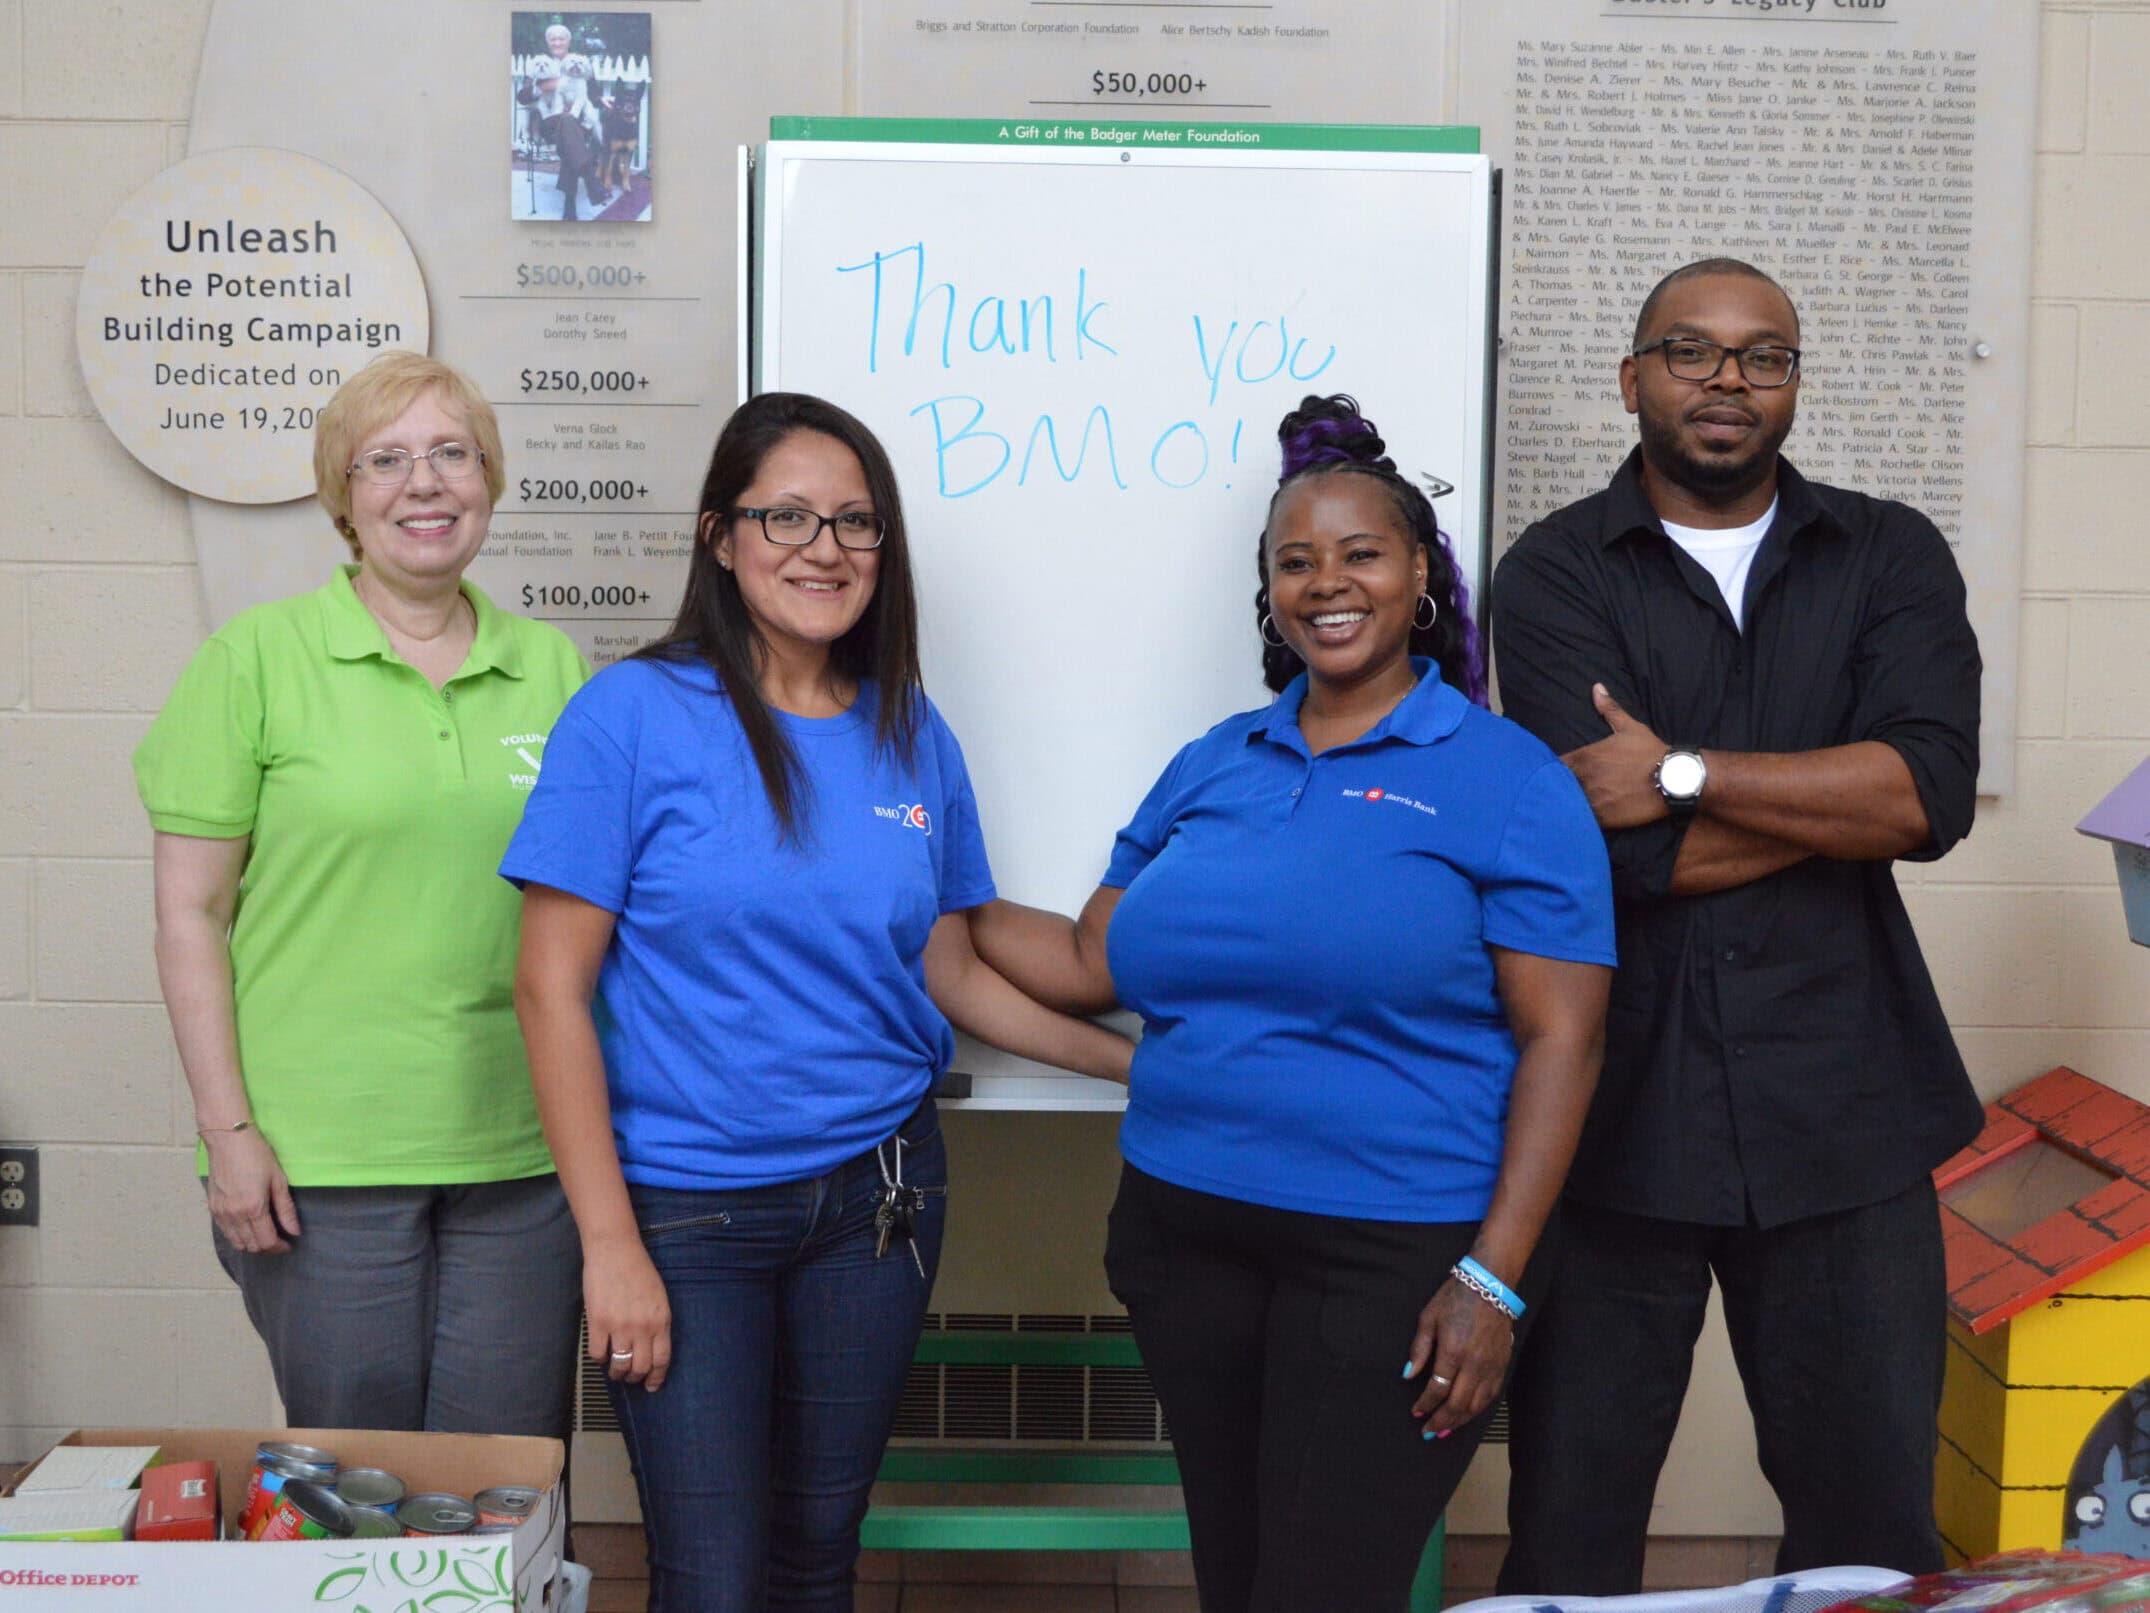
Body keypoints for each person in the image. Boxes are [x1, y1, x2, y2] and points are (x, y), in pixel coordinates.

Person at [969, 394, 1616, 1612]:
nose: (1326, 583)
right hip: (1185, 1235)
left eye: (1360, 553)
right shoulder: (1213, 760)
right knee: (1238, 1573)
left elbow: (1563, 1038)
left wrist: (1493, 1279)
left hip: (1392, 1254)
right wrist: (922, 884)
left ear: (1419, 577)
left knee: (1323, 1588)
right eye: (1294, 560)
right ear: (1268, 591)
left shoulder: (1507, 779)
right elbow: (1089, 961)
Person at [503, 391, 1133, 1612]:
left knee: (814, 1557)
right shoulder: (628, 717)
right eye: (785, 516)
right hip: (685, 1216)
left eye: (854, 521)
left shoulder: (908, 729)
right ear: (719, 535)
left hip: (876, 1203)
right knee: (713, 1576)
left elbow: (948, 969)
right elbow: (548, 991)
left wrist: (1134, 1068)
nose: (824, 548)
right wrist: (610, 1245)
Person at [1490, 258, 1984, 1591]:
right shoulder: (1551, 571)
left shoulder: (1886, 554)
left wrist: (1681, 772)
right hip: (1612, 1122)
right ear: (1631, 378)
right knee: (1569, 1530)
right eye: (1690, 351)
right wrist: (1829, 800)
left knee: (1870, 1538)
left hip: (1846, 1117)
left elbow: (1925, 795)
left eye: (1761, 355)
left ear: (1792, 384)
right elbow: (1600, 851)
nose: (1726, 379)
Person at [133, 352, 590, 1441]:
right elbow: (190, 916)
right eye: (385, 460)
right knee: (355, 1482)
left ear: (489, 479)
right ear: (343, 495)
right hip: (321, 1156)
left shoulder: (554, 669)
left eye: (452, 454)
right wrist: (227, 1130)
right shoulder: (256, 659)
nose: (423, 483)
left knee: (505, 1476)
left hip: (523, 1150)